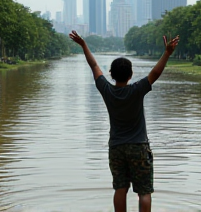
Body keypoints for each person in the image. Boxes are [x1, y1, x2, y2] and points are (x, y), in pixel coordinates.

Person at [69, 30, 179, 212]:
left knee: (120, 188)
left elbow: (94, 65)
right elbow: (156, 72)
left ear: (111, 74)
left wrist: (84, 45)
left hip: (117, 148)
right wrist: (167, 53)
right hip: (138, 146)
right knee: (144, 191)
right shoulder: (137, 90)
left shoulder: (107, 90)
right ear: (131, 74)